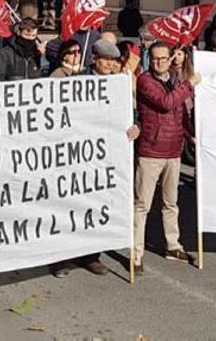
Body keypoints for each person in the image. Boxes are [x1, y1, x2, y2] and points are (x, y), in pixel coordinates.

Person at [51, 39, 140, 277]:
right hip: (78, 155)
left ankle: (91, 255)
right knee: (71, 205)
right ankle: (62, 258)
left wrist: (135, 127)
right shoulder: (77, 82)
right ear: (95, 60)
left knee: (97, 206)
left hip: (105, 156)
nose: (110, 64)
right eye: (106, 60)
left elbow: (132, 114)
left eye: (113, 61)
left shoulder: (119, 85)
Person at [133, 42, 201, 274]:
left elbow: (180, 112)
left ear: (171, 59)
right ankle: (136, 252)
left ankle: (173, 245)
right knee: (142, 205)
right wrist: (189, 85)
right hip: (151, 151)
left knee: (171, 203)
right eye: (154, 58)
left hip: (174, 151)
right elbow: (166, 103)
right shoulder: (145, 81)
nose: (159, 62)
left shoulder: (176, 81)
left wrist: (191, 135)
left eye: (163, 58)